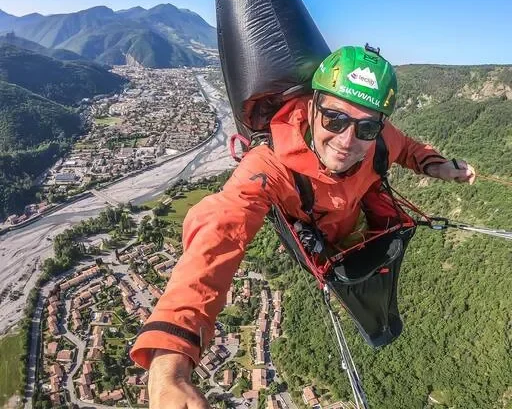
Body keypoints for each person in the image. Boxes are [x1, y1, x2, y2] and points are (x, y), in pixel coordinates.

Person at [130, 46, 476, 408]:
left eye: (366, 127)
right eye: (334, 119)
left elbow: (405, 147)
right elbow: (220, 227)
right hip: (318, 235)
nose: (346, 141)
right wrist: (170, 363)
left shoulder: (378, 139)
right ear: (312, 105)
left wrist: (437, 166)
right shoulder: (271, 163)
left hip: (356, 223)